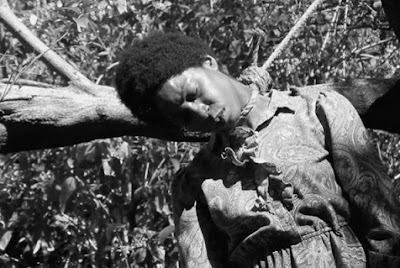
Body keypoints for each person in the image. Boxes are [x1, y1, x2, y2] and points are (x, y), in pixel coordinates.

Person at [115, 31, 400, 268]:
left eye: (192, 94)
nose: (200, 112)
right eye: (186, 116)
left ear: (209, 64)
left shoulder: (316, 112)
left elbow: (383, 220)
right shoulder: (193, 185)